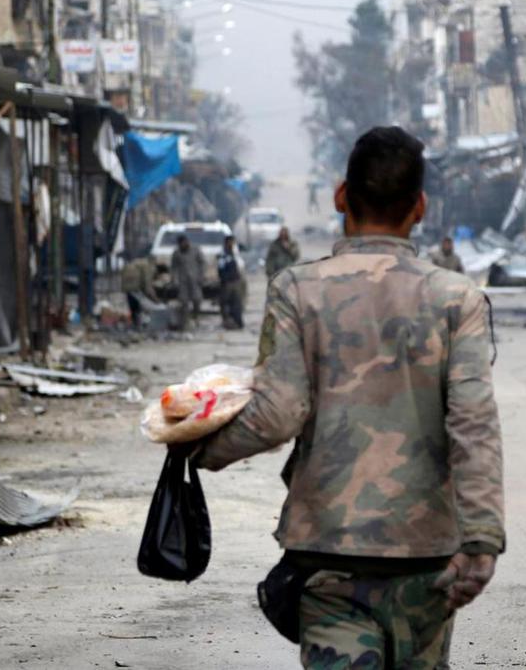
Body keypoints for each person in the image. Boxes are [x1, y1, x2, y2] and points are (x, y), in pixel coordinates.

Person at [197, 126, 504, 669]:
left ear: (341, 196)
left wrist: (198, 448)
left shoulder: (297, 289)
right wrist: (480, 540)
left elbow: (277, 413)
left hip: (328, 554)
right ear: (420, 207)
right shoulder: (457, 299)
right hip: (425, 557)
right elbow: (473, 422)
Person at [170, 233, 206, 329]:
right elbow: (173, 267)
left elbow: (202, 263)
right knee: (183, 301)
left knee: (197, 299)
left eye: (184, 242)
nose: (183, 245)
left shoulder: (195, 250)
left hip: (195, 279)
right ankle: (185, 321)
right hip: (183, 281)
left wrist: (201, 276)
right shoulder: (177, 253)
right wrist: (173, 279)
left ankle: (195, 317)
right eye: (181, 243)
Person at [120, 252, 158, 328]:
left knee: (133, 305)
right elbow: (147, 284)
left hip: (126, 284)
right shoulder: (148, 266)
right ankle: (139, 323)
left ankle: (135, 323)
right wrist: (155, 298)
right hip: (134, 285)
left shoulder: (139, 262)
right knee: (140, 306)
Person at [217, 235, 246, 330]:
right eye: (230, 242)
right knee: (226, 303)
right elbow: (221, 269)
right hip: (227, 282)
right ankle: (227, 322)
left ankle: (238, 322)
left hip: (236, 281)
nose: (232, 244)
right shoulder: (223, 255)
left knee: (237, 303)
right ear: (226, 243)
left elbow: (240, 266)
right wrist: (225, 279)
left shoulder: (235, 253)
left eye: (233, 242)